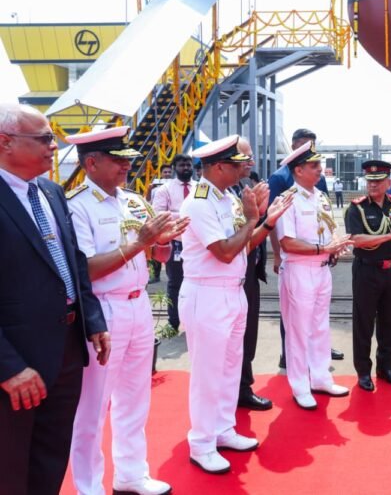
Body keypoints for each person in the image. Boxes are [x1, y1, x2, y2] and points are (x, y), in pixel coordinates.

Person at [66, 126, 188, 495]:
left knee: (135, 397)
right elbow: (86, 269)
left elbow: (156, 254)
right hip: (104, 310)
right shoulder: (77, 206)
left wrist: (163, 244)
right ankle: (89, 486)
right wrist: (140, 242)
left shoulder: (133, 201)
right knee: (93, 406)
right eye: (117, 159)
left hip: (138, 306)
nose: (126, 166)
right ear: (91, 163)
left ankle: (132, 474)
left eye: (127, 159)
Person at [0, 103, 110, 495]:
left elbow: (73, 262)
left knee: (50, 456)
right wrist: (9, 367)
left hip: (66, 350)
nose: (54, 147)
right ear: (5, 142)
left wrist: (92, 320)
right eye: (45, 139)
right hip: (17, 360)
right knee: (10, 466)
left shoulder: (51, 191)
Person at [179, 135, 293, 473]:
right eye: (237, 164)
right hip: (207, 294)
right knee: (208, 374)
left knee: (230, 367)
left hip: (233, 290)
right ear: (218, 167)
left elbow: (245, 245)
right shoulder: (199, 202)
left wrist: (266, 220)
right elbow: (225, 251)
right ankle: (202, 443)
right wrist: (251, 218)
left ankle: (223, 429)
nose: (245, 168)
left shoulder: (227, 197)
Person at [276, 141, 352, 409]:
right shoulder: (287, 200)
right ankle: (300, 385)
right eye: (314, 165)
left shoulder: (320, 197)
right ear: (298, 170)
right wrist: (323, 248)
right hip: (299, 271)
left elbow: (329, 229)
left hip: (321, 270)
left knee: (320, 327)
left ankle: (320, 378)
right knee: (298, 331)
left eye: (319, 164)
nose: (320, 169)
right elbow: (287, 242)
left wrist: (335, 246)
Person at [268, 128, 343, 368]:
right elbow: (273, 222)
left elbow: (326, 218)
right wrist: (277, 255)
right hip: (298, 263)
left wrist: (333, 246)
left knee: (319, 322)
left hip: (320, 263)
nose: (319, 168)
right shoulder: (280, 179)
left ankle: (319, 369)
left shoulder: (319, 188)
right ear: (294, 147)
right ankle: (291, 361)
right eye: (304, 146)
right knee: (296, 323)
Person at [345, 160, 391, 391]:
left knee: (389, 321)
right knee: (363, 323)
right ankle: (364, 372)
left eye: (378, 181)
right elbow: (356, 240)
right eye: (369, 181)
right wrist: (389, 235)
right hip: (367, 270)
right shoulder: (357, 208)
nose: (372, 185)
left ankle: (385, 368)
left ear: (388, 183)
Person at [232, 140, 273, 412]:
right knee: (236, 338)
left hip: (248, 270)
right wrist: (261, 219)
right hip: (232, 274)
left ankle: (243, 387)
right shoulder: (221, 195)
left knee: (247, 334)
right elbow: (237, 238)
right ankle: (237, 390)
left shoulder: (240, 189)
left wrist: (262, 215)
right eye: (245, 157)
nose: (252, 162)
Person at [152, 153, 196, 331]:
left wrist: (176, 214)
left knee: (196, 283)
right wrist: (188, 215)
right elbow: (158, 214)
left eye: (188, 165)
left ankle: (192, 321)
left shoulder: (200, 188)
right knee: (175, 283)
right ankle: (173, 322)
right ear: (174, 168)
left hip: (197, 243)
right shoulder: (165, 189)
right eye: (182, 165)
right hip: (175, 242)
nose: (186, 168)